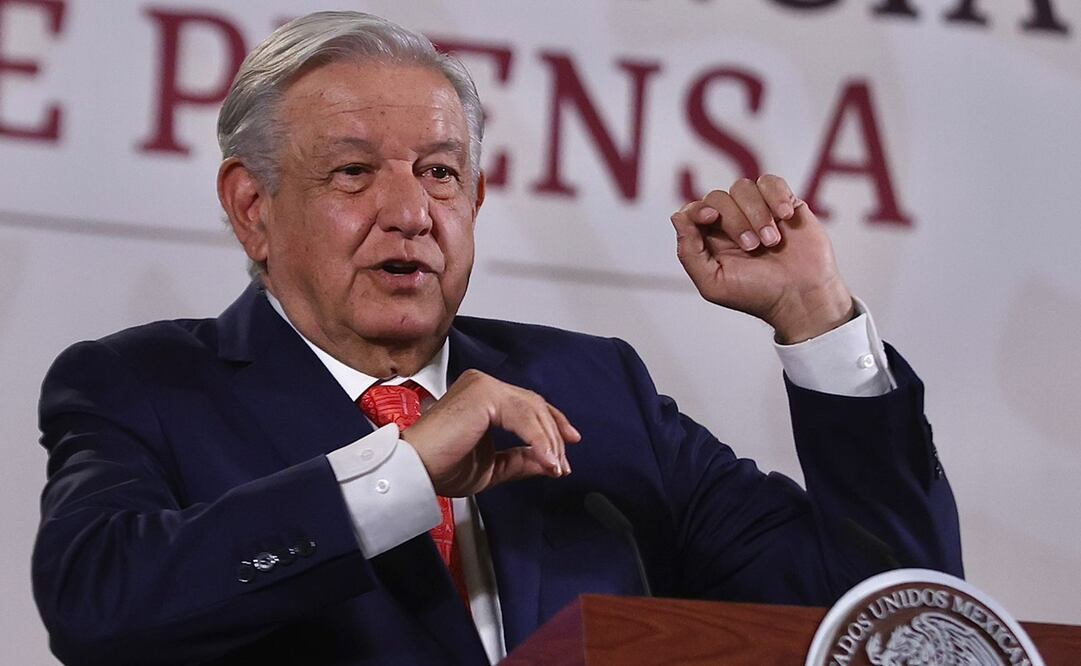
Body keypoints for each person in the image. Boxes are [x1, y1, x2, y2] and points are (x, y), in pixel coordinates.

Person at [32, 10, 961, 666]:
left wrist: (817, 321)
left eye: (440, 173)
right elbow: (101, 608)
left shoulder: (595, 388)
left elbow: (895, 622)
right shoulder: (141, 387)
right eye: (354, 173)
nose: (409, 212)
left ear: (475, 200)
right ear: (252, 208)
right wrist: (396, 477)